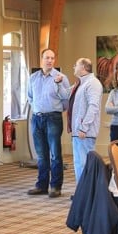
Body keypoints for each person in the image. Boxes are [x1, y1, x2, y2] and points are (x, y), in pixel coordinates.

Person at [27, 48, 70, 197]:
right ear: (41, 59)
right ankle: (42, 185)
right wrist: (39, 109)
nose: (50, 60)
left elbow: (66, 99)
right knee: (41, 154)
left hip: (53, 118)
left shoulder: (61, 77)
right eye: (47, 58)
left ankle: (55, 186)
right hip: (37, 118)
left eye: (52, 58)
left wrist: (54, 110)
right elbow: (30, 97)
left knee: (55, 154)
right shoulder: (33, 77)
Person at [68, 57, 103, 184]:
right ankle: (81, 192)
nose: (74, 67)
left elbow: (93, 106)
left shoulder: (92, 83)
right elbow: (65, 95)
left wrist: (84, 127)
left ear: (83, 67)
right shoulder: (80, 83)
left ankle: (86, 193)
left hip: (84, 131)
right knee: (79, 163)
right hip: (78, 130)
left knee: (84, 163)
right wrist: (58, 83)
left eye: (76, 65)